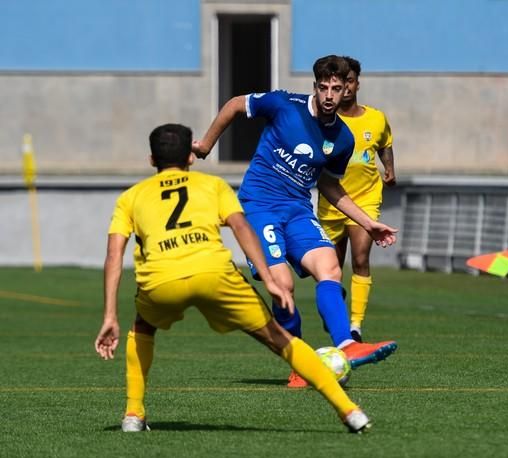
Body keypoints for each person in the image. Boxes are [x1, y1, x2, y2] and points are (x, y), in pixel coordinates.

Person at [94, 124, 372, 433]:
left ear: (150, 160)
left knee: (142, 327)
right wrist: (267, 277)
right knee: (279, 338)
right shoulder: (212, 185)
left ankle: (133, 414)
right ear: (190, 156)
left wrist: (109, 316)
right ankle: (350, 412)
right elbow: (241, 227)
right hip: (215, 274)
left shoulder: (130, 197)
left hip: (162, 280)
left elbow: (113, 256)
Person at [191, 55, 398, 388]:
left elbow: (330, 185)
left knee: (330, 267)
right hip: (258, 207)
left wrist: (368, 223)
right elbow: (233, 105)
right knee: (282, 286)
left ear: (347, 89)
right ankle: (299, 363)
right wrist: (205, 146)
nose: (330, 95)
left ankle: (347, 343)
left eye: (337, 88)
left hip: (298, 210)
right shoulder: (284, 105)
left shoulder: (343, 139)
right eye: (324, 88)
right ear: (314, 87)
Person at [316, 57, 396, 343]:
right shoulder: (322, 121)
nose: (345, 87)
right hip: (331, 201)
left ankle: (355, 326)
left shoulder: (375, 118)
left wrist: (389, 168)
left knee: (360, 258)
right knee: (329, 270)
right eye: (341, 83)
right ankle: (336, 307)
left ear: (357, 83)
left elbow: (385, 144)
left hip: (365, 199)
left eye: (349, 81)